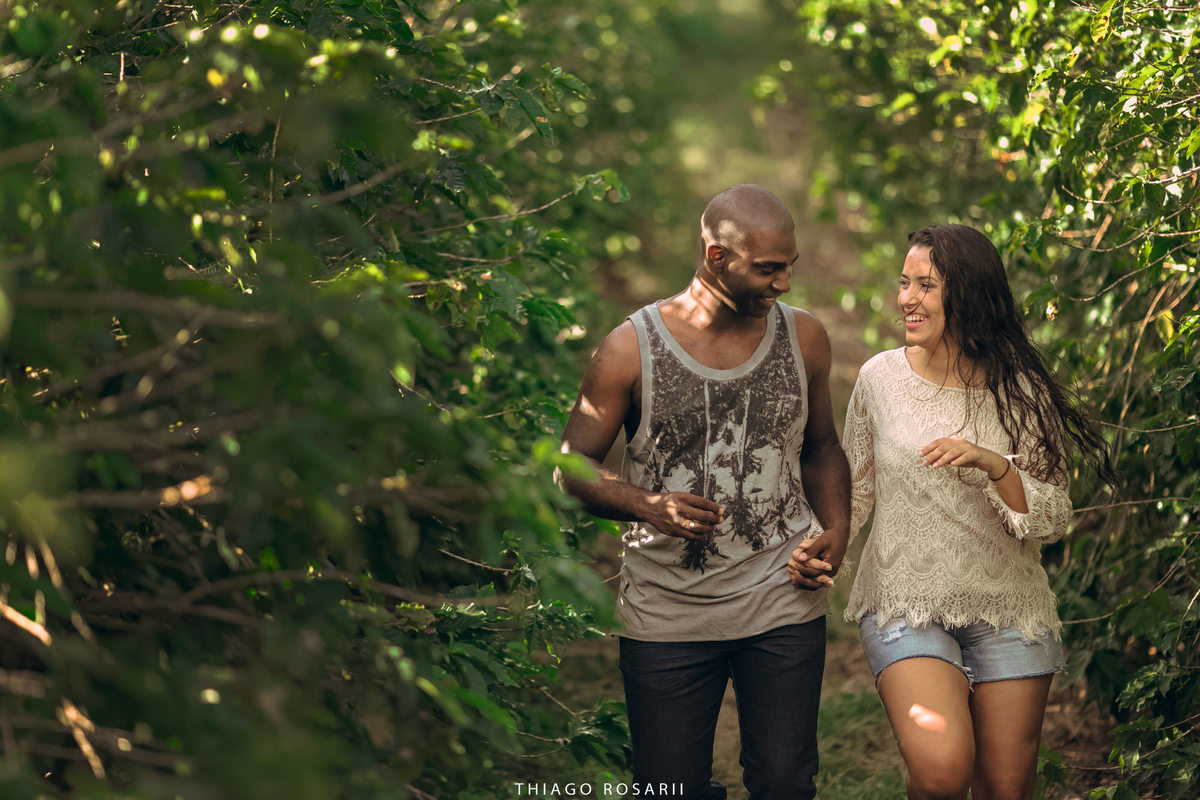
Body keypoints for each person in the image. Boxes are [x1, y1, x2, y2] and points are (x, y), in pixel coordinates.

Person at [790, 224, 1114, 800]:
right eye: (904, 283)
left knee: (1005, 789)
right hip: (904, 599)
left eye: (926, 286)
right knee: (942, 771)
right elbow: (855, 492)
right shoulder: (880, 379)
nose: (906, 299)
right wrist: (821, 549)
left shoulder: (1023, 393)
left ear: (968, 295)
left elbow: (1054, 519)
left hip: (1010, 604)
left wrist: (997, 465)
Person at [559, 184, 851, 800]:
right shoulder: (629, 348)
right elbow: (572, 464)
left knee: (784, 783)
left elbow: (821, 447)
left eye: (790, 267)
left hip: (781, 599)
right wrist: (647, 504)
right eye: (768, 269)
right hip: (667, 612)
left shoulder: (805, 339)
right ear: (717, 257)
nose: (785, 284)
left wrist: (836, 529)